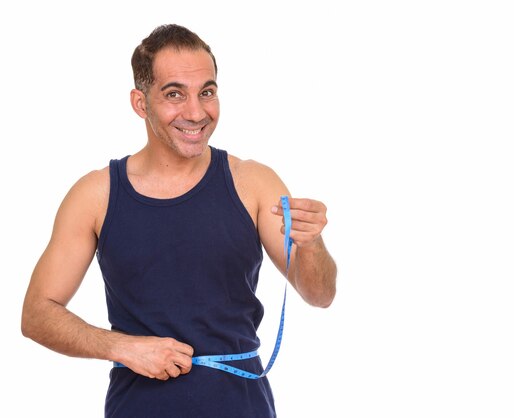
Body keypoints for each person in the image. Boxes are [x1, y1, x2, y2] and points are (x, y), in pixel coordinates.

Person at [21, 23, 337, 418]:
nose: (196, 112)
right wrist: (122, 347)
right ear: (141, 103)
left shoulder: (253, 182)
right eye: (174, 94)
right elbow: (37, 313)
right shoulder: (96, 195)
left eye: (207, 92)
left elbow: (320, 294)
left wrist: (312, 244)